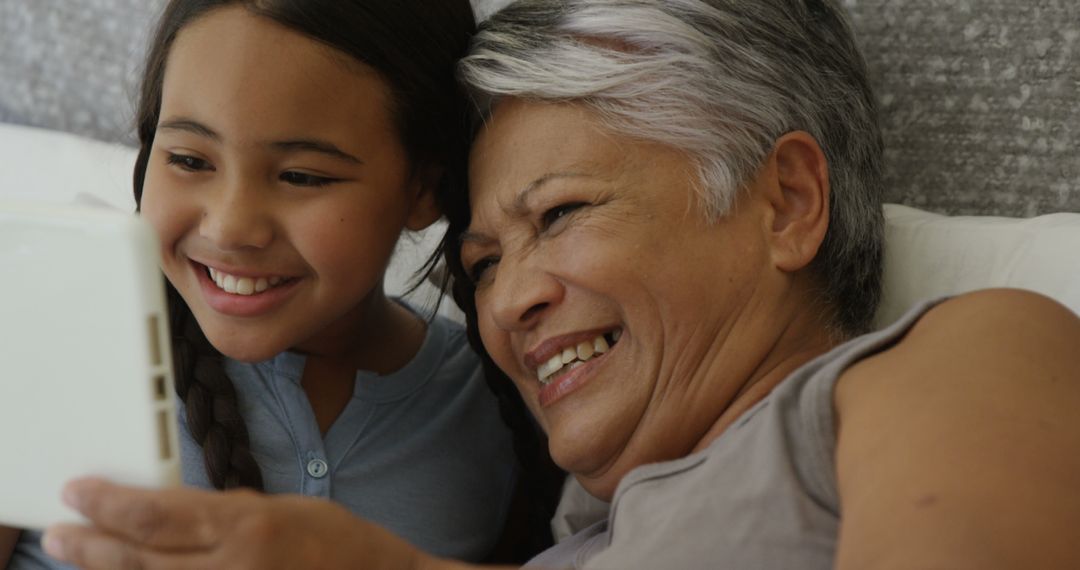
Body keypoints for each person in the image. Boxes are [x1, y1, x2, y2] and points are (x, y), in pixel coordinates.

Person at [35, 0, 1080, 568]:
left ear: (789, 201)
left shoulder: (970, 352)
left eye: (564, 213)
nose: (506, 302)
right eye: (481, 263)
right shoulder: (566, 525)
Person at [0, 0, 555, 568]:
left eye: (301, 176)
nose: (230, 227)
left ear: (424, 190)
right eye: (190, 160)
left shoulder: (507, 402)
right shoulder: (50, 338)